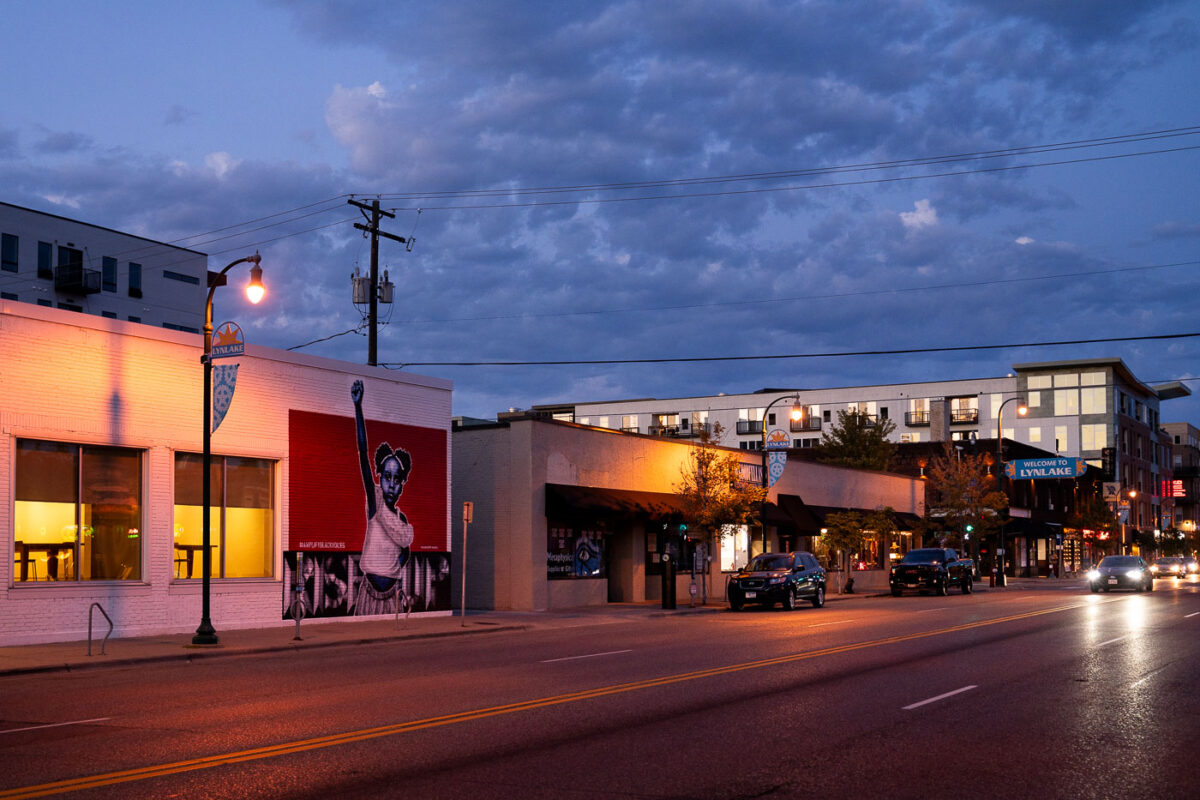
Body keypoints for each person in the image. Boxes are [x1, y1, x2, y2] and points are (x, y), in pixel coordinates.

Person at [351, 380, 414, 615]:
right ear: (379, 477)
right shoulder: (375, 502)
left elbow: (406, 550)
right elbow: (363, 452)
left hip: (391, 596)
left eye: (397, 479)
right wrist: (358, 407)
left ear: (402, 485)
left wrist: (395, 567)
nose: (391, 484)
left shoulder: (401, 520)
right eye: (387, 476)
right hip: (368, 593)